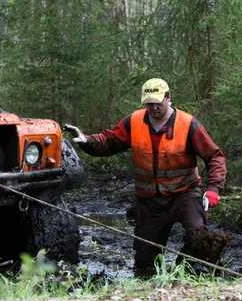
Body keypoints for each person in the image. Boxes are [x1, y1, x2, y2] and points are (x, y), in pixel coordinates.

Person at [64, 78, 226, 277]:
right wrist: (87, 140)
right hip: (148, 201)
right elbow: (108, 142)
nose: (153, 107)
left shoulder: (188, 124)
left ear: (168, 98)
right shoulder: (134, 121)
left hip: (184, 194)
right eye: (149, 103)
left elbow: (215, 157)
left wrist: (213, 189)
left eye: (157, 102)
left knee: (197, 231)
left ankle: (195, 275)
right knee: (144, 263)